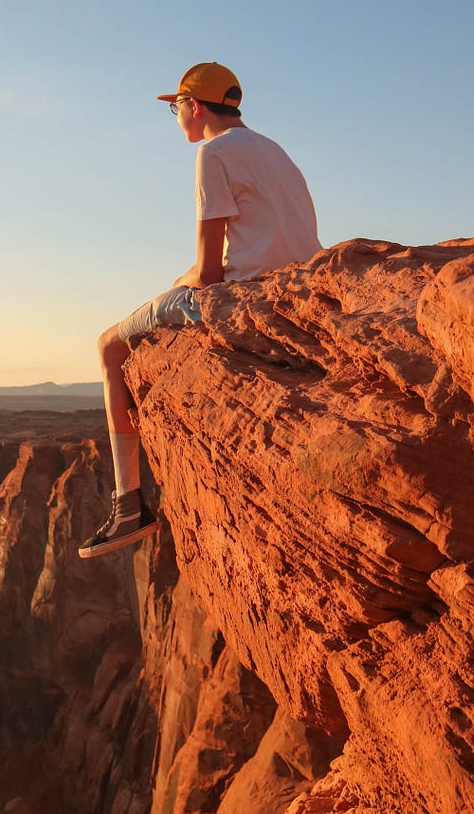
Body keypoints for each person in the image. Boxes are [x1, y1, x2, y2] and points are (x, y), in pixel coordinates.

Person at [78, 61, 322, 560]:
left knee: (108, 346)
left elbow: (209, 274)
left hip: (242, 298)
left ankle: (128, 505)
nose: (175, 119)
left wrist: (177, 284)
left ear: (194, 106)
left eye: (174, 108)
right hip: (298, 289)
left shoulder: (213, 153)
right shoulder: (274, 149)